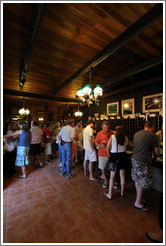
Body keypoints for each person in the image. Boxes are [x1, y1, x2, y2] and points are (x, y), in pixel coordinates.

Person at [131, 120, 160, 212]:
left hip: (134, 159)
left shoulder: (137, 133)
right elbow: (157, 152)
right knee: (143, 182)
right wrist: (154, 158)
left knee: (137, 180)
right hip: (143, 162)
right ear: (153, 127)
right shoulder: (153, 136)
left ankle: (139, 199)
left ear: (144, 126)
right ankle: (137, 203)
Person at [105, 125, 133, 199]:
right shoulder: (125, 138)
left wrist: (109, 155)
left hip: (114, 157)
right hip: (123, 156)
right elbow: (131, 145)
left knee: (112, 177)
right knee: (122, 175)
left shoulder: (112, 137)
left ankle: (110, 194)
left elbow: (107, 147)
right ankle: (122, 192)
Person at [95, 121, 114, 188]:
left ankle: (113, 181)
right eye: (105, 127)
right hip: (102, 153)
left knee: (112, 168)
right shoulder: (99, 134)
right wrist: (100, 145)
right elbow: (95, 142)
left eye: (107, 127)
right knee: (103, 167)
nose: (106, 129)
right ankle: (106, 180)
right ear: (102, 127)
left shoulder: (112, 133)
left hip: (111, 153)